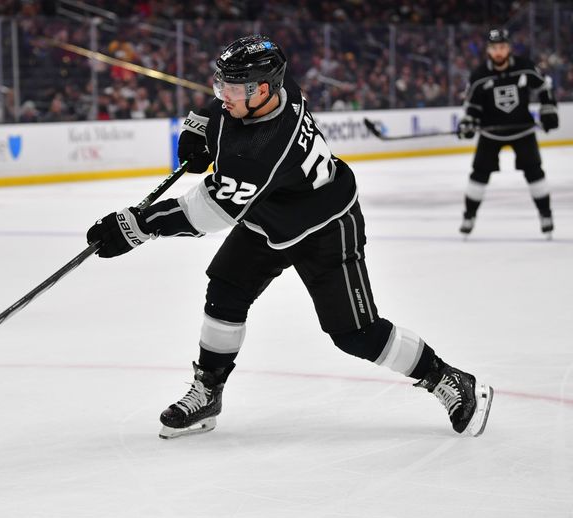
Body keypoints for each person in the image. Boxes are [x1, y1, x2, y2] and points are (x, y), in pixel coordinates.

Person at [86, 35, 494, 439]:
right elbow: (224, 110)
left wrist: (136, 225)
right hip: (270, 215)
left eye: (230, 87)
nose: (221, 93)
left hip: (326, 226)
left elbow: (208, 212)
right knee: (225, 290)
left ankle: (448, 378)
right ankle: (209, 390)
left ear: (261, 90)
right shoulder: (277, 89)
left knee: (356, 334)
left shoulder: (262, 149)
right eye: (221, 83)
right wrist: (203, 122)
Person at [457, 28, 559, 238]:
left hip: (522, 129)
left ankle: (545, 214)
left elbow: (544, 87)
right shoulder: (479, 76)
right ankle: (469, 216)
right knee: (478, 175)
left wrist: (548, 110)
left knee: (534, 172)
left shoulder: (524, 67)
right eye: (495, 48)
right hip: (491, 132)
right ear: (489, 50)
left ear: (509, 48)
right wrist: (469, 123)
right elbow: (472, 106)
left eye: (502, 47)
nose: (499, 52)